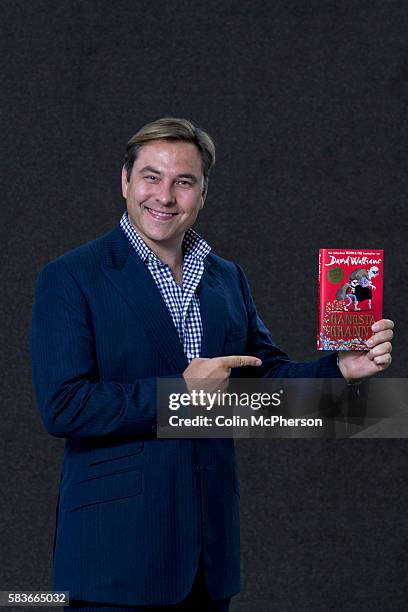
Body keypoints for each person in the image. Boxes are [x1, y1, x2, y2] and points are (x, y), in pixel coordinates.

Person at [29, 118, 394, 611]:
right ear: (125, 181)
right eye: (151, 177)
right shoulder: (71, 277)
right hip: (113, 556)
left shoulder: (227, 278)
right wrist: (180, 393)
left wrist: (340, 371)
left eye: (184, 181)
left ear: (203, 193)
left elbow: (261, 383)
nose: (164, 195)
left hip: (208, 556)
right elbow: (64, 406)